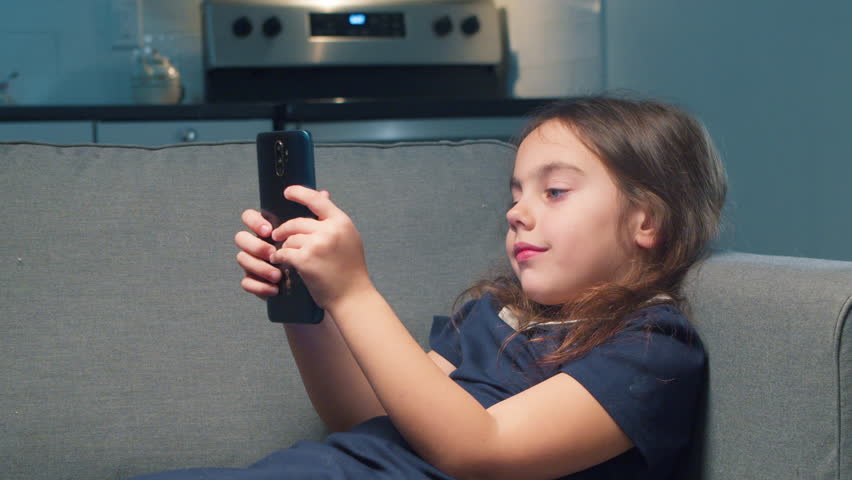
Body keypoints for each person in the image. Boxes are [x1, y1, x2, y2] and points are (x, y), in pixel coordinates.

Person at [132, 96, 727, 480]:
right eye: (515, 193)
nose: (517, 212)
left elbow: (479, 449)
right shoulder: (493, 312)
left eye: (554, 191)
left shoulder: (651, 345)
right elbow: (363, 415)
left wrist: (353, 292)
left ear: (647, 220)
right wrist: (307, 305)